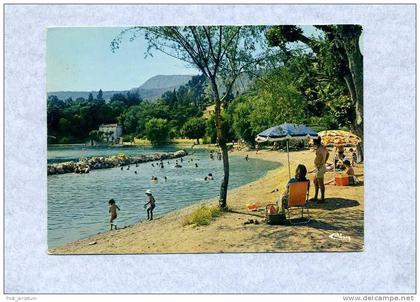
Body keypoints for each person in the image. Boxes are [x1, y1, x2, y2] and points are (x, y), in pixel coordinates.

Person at [312, 136, 329, 203]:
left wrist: (322, 163)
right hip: (319, 167)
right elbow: (328, 154)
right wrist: (324, 161)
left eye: (314, 141)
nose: (313, 143)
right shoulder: (322, 147)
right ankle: (316, 196)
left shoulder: (320, 149)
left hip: (320, 168)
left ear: (316, 142)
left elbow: (322, 156)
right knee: (315, 182)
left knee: (320, 183)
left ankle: (322, 198)